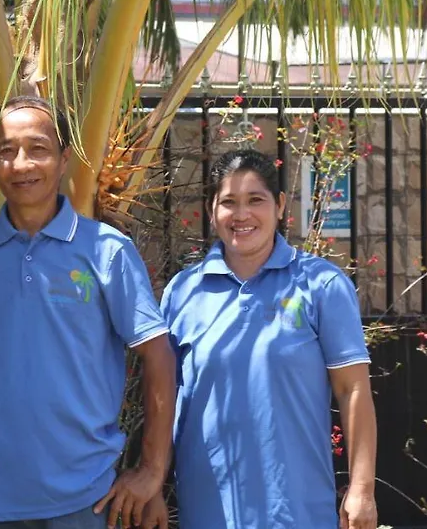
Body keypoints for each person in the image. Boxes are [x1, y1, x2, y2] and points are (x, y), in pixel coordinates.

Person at [0, 96, 176, 529]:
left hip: (86, 496)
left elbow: (158, 355)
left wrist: (152, 471)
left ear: (64, 159)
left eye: (38, 149)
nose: (22, 164)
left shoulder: (107, 251)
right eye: (7, 150)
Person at [160, 149, 377, 529]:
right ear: (212, 211)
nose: (241, 215)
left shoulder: (321, 285)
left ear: (279, 206)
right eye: (229, 202)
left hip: (297, 511)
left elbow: (352, 390)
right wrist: (152, 482)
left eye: (255, 200)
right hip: (207, 509)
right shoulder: (183, 292)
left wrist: (362, 489)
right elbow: (163, 396)